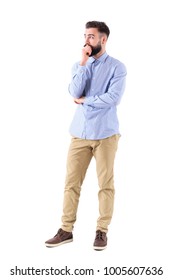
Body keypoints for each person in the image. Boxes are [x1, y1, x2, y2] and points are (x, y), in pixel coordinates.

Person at [45, 21, 127, 250]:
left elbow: (113, 98)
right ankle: (66, 230)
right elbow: (73, 92)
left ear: (103, 39)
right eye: (85, 36)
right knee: (71, 183)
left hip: (106, 135)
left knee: (105, 185)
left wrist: (86, 101)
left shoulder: (117, 67)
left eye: (91, 36)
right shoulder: (79, 65)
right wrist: (83, 63)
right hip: (79, 134)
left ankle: (101, 231)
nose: (86, 41)